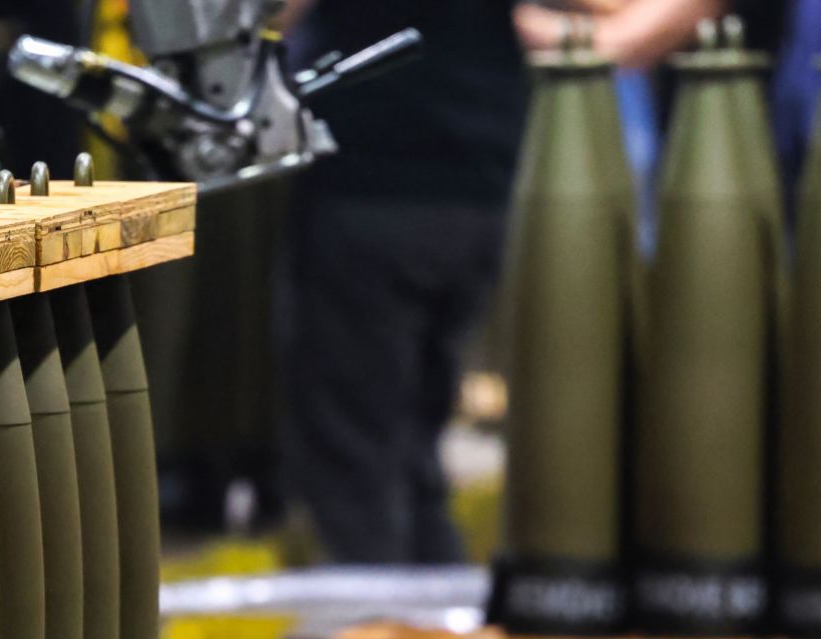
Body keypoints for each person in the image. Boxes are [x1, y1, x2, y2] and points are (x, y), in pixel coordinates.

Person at [274, 0, 732, 565]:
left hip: (375, 187)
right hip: (484, 186)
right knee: (414, 443)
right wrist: (588, 41)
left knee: (357, 457)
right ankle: (427, 624)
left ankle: (374, 634)